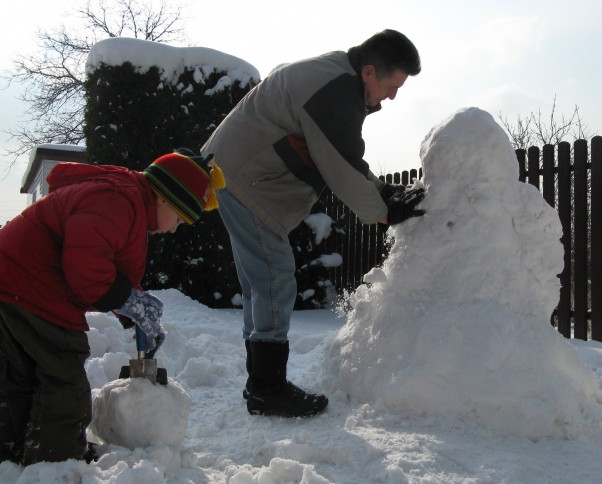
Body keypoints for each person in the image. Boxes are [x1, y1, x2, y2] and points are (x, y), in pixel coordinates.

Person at [200, 29, 425, 418]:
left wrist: (383, 192)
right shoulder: (335, 90)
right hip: (244, 179)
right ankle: (267, 389)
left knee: (260, 281)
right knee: (274, 276)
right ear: (370, 71)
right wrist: (384, 211)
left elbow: (344, 156)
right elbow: (340, 165)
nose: (392, 97)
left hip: (231, 174)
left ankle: (260, 383)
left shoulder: (335, 77)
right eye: (393, 85)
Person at [0, 150, 224, 465]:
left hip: (15, 283)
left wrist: (134, 308)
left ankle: (13, 452)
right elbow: (86, 268)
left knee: (20, 376)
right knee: (64, 380)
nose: (174, 229)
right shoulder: (120, 201)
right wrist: (127, 300)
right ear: (164, 199)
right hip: (34, 288)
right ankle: (56, 463)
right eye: (179, 219)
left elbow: (110, 266)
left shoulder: (127, 201)